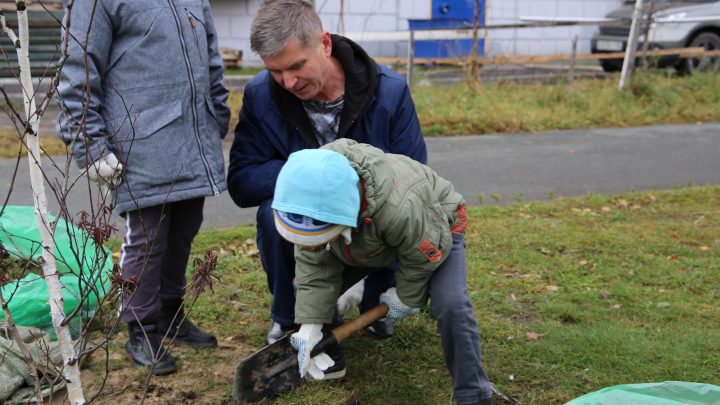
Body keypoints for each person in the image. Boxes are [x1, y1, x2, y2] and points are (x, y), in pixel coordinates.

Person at [227, 0, 427, 350]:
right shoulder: (261, 95)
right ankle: (290, 318)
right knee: (270, 212)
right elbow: (243, 181)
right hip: (305, 221)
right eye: (276, 71)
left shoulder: (388, 91)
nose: (287, 82)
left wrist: (347, 185)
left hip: (370, 220)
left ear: (325, 44)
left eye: (296, 66)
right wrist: (309, 176)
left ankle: (375, 303)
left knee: (400, 209)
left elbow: (415, 179)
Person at [55, 0, 230, 375]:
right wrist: (89, 142)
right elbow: (77, 70)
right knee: (147, 238)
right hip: (139, 143)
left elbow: (210, 56)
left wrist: (217, 112)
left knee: (183, 230)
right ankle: (141, 326)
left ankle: (169, 312)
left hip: (193, 137)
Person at [271, 139, 493, 405]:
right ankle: (331, 356)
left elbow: (425, 254)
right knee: (314, 287)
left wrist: (407, 296)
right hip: (366, 238)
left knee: (451, 304)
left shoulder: (401, 207)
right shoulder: (310, 191)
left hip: (434, 228)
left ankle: (473, 395)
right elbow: (315, 267)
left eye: (320, 238)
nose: (315, 245)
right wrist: (310, 325)